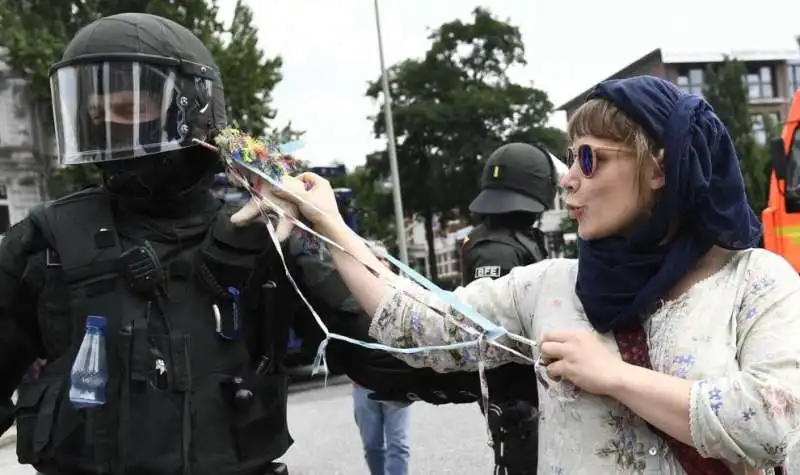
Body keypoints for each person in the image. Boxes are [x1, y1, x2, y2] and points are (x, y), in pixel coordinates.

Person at [0, 13, 522, 475]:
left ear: (192, 108)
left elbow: (388, 349)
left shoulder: (268, 234)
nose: (107, 126)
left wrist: (527, 367)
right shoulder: (43, 244)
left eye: (127, 106)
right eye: (95, 111)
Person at [274, 75, 800, 474]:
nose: (567, 181)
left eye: (589, 160)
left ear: (660, 167)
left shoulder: (755, 281)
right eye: (569, 159)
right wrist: (330, 224)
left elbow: (772, 425)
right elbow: (413, 320)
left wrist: (613, 374)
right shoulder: (547, 285)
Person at [461, 142, 558, 475]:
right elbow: (497, 335)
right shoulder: (497, 250)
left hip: (527, 389)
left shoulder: (509, 237)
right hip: (517, 394)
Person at [352, 245, 411, 475]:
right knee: (372, 445)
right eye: (375, 258)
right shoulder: (352, 295)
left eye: (384, 259)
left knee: (399, 443)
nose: (380, 263)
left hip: (398, 377)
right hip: (363, 382)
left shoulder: (401, 293)